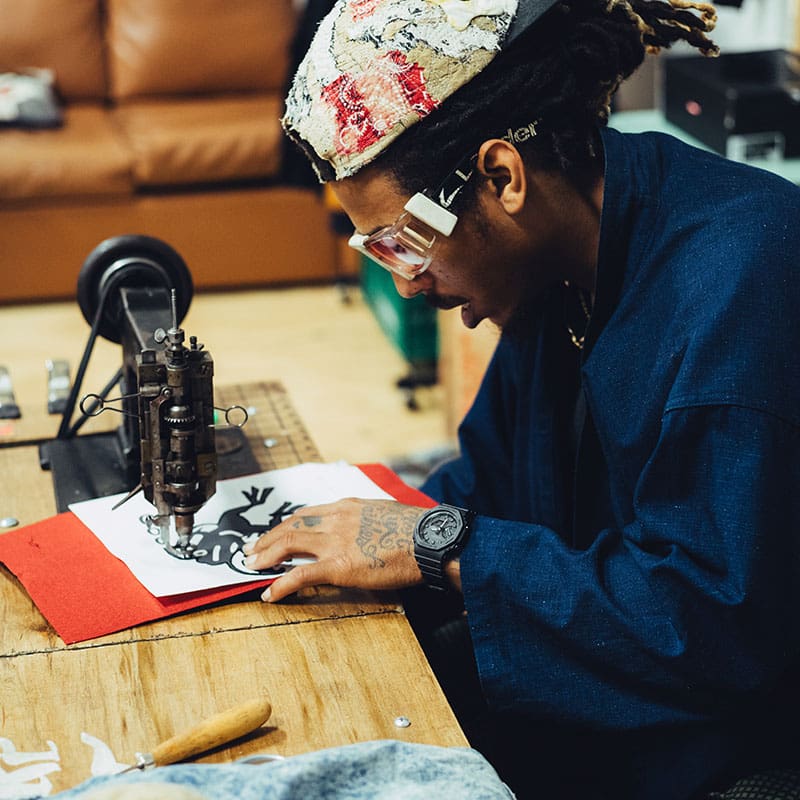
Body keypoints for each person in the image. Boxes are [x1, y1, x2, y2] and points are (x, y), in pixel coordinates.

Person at [243, 1, 800, 797]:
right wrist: (358, 540)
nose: (406, 280)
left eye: (401, 241)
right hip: (616, 691)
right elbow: (486, 484)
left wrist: (435, 542)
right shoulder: (560, 272)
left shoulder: (746, 279)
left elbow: (712, 627)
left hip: (734, 738)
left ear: (503, 177)